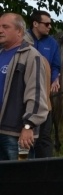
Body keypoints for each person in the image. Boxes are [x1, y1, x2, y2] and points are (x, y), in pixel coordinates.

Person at [0, 13, 50, 160]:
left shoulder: (31, 56)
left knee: (20, 179)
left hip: (17, 134)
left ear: (19, 31)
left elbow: (36, 93)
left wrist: (28, 126)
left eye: (5, 27)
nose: (0, 30)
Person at [25, 10, 60, 158]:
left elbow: (56, 66)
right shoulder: (22, 39)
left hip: (45, 97)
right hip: (26, 95)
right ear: (35, 24)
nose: (49, 27)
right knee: (27, 134)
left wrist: (55, 79)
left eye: (50, 24)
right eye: (46, 24)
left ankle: (46, 168)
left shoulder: (52, 43)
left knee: (45, 136)